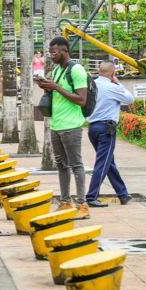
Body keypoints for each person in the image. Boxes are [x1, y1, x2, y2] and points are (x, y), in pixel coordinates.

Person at [36, 36, 90, 217]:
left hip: (71, 126)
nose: (51, 56)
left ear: (65, 51)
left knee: (76, 165)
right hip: (56, 125)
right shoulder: (58, 70)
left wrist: (56, 87)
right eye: (49, 53)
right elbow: (58, 91)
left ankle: (82, 204)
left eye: (54, 53)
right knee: (61, 165)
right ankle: (66, 202)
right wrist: (47, 87)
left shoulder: (77, 70)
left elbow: (82, 100)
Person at [85, 62, 134, 207]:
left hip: (92, 128)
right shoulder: (112, 87)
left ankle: (123, 194)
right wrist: (118, 83)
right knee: (103, 163)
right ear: (113, 74)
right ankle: (91, 196)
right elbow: (130, 99)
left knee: (108, 162)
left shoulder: (91, 86)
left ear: (98, 71)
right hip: (106, 129)